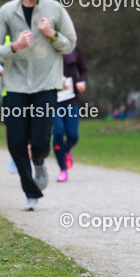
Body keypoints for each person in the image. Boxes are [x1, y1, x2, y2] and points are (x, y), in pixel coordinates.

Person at [0, 0, 76, 211]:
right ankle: (31, 193)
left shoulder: (55, 10)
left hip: (45, 85)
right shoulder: (7, 11)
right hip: (15, 85)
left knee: (38, 141)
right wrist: (13, 46)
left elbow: (70, 43)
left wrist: (51, 34)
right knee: (15, 142)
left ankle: (39, 161)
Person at [53, 44, 87, 182]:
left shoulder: (73, 48)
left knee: (73, 136)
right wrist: (54, 79)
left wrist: (82, 82)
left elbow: (84, 70)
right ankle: (63, 170)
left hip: (71, 100)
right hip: (52, 101)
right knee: (58, 132)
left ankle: (66, 150)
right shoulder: (45, 48)